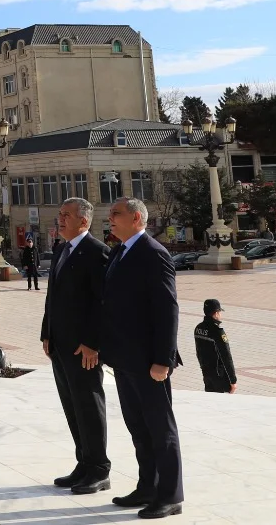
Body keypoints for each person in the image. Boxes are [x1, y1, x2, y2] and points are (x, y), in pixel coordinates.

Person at [101, 198, 184, 519]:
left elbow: (167, 309)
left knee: (160, 430)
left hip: (150, 361)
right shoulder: (119, 251)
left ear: (136, 218)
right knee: (138, 427)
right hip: (124, 359)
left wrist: (163, 359)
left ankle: (170, 495)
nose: (110, 219)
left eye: (115, 214)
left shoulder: (153, 253)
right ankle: (147, 486)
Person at [42, 198, 112, 494]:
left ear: (84, 221)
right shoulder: (61, 250)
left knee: (88, 405)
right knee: (72, 406)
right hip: (60, 345)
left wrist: (93, 343)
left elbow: (103, 304)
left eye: (66, 215)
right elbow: (53, 297)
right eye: (59, 214)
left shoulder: (97, 253)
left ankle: (98, 470)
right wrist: (46, 334)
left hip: (84, 349)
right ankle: (83, 463)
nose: (60, 219)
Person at [193, 300, 236, 394]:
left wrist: (203, 368)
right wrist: (233, 380)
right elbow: (226, 356)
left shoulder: (198, 328)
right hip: (219, 375)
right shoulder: (217, 331)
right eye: (220, 312)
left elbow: (198, 352)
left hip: (206, 373)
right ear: (216, 313)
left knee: (210, 401)